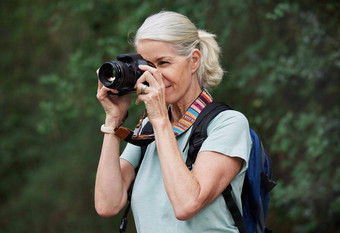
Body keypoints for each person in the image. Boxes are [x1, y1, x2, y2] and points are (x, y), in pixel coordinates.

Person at [95, 11, 251, 233]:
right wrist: (113, 120)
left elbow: (187, 204)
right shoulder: (147, 129)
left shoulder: (228, 124)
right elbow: (107, 204)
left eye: (164, 63)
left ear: (194, 60)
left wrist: (159, 119)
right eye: (147, 65)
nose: (154, 76)